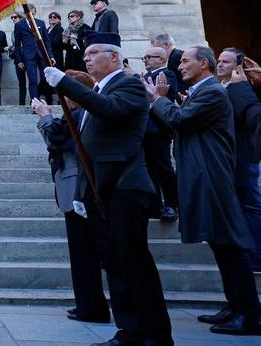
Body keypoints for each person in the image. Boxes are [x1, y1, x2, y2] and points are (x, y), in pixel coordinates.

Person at [44, 32, 172, 346]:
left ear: (113, 56)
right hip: (102, 191)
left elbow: (110, 110)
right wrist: (81, 195)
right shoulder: (100, 90)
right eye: (85, 53)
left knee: (134, 263)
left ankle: (154, 335)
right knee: (115, 264)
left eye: (92, 53)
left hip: (127, 187)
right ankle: (130, 330)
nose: (86, 58)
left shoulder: (127, 85)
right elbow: (88, 146)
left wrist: (66, 83)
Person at [144, 46, 261, 336]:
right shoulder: (203, 90)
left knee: (229, 245)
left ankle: (249, 314)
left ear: (204, 65)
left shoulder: (211, 91)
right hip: (203, 174)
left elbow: (180, 120)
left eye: (185, 61)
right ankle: (235, 305)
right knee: (220, 244)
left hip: (212, 176)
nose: (179, 65)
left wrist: (159, 99)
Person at [32, 71, 110, 324]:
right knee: (82, 253)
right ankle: (87, 303)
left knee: (84, 252)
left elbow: (55, 139)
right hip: (75, 188)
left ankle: (91, 306)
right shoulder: (77, 114)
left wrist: (45, 117)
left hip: (78, 190)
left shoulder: (78, 115)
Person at [218, 48, 261, 271]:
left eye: (226, 61)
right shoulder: (219, 88)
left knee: (251, 205)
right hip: (228, 160)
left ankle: (256, 256)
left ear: (238, 66)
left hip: (246, 158)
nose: (220, 64)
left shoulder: (246, 88)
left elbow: (252, 117)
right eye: (219, 60)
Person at [140, 46, 179, 222]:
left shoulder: (166, 75)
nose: (146, 60)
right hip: (145, 130)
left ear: (162, 59)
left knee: (163, 168)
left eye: (150, 57)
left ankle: (172, 204)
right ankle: (155, 205)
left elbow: (163, 100)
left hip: (158, 129)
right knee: (150, 169)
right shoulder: (147, 76)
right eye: (145, 57)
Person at [13, 4, 53, 101]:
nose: (30, 13)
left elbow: (47, 42)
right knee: (32, 80)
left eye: (31, 11)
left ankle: (40, 95)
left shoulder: (41, 23)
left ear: (34, 11)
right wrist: (19, 60)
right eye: (27, 11)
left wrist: (51, 56)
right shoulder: (19, 25)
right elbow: (17, 45)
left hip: (42, 54)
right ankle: (34, 102)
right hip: (28, 56)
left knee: (45, 78)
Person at [8, 14, 27, 105]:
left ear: (21, 18)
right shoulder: (13, 32)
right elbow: (16, 45)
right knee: (21, 81)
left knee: (32, 80)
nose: (13, 19)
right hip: (18, 59)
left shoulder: (26, 29)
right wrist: (12, 49)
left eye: (15, 17)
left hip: (28, 58)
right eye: (12, 18)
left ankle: (34, 101)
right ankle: (21, 102)